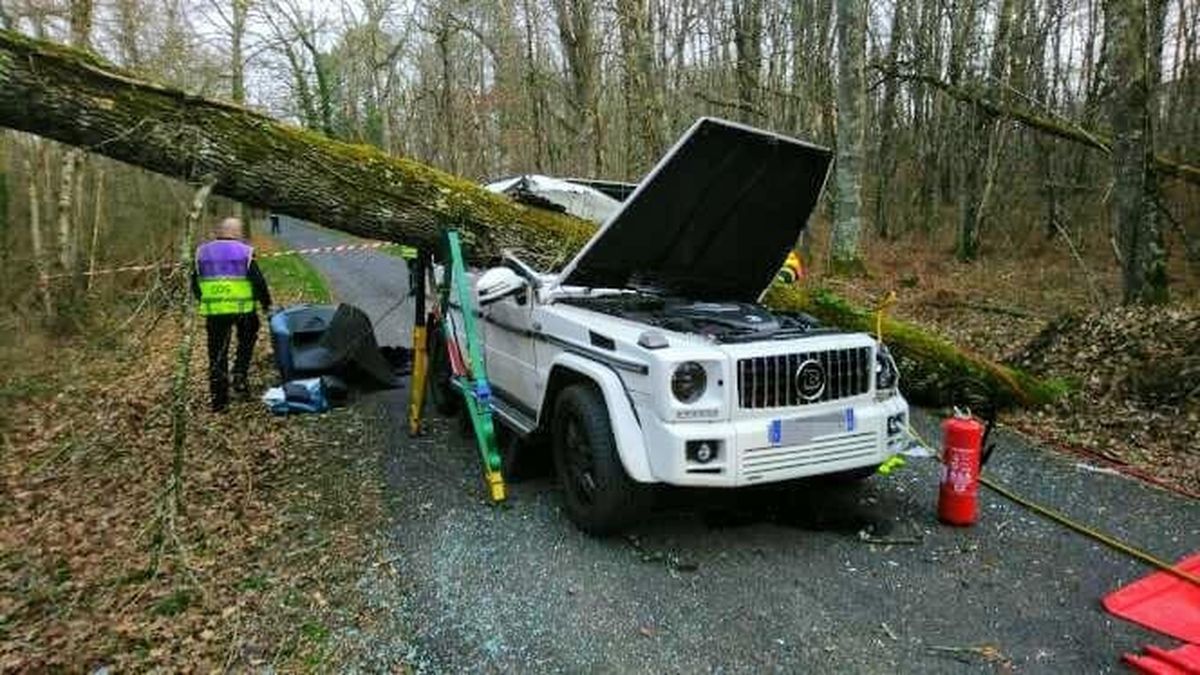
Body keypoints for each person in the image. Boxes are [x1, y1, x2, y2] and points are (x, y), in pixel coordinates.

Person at [191, 217, 273, 412]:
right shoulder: (244, 251)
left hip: (215, 312)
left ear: (220, 231)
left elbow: (194, 282)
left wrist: (204, 299)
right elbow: (258, 282)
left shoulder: (202, 252)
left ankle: (219, 402)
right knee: (247, 337)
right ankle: (240, 375)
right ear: (236, 233)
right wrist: (266, 305)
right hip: (243, 310)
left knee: (217, 354)